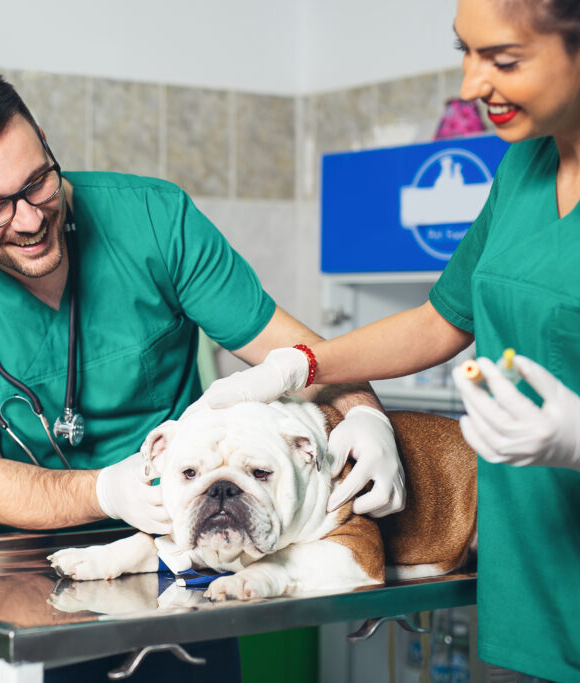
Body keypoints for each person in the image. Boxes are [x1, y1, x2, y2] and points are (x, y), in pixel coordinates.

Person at [0, 71, 404, 681]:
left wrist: (367, 414)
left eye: (36, 183)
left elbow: (299, 356)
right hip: (26, 574)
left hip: (193, 556)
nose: (28, 220)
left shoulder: (156, 221)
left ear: (48, 147)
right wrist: (107, 491)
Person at [201, 0, 580, 679]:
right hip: (523, 584)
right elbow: (440, 320)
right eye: (465, 50)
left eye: (503, 59)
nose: (470, 84)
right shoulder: (524, 170)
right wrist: (302, 364)